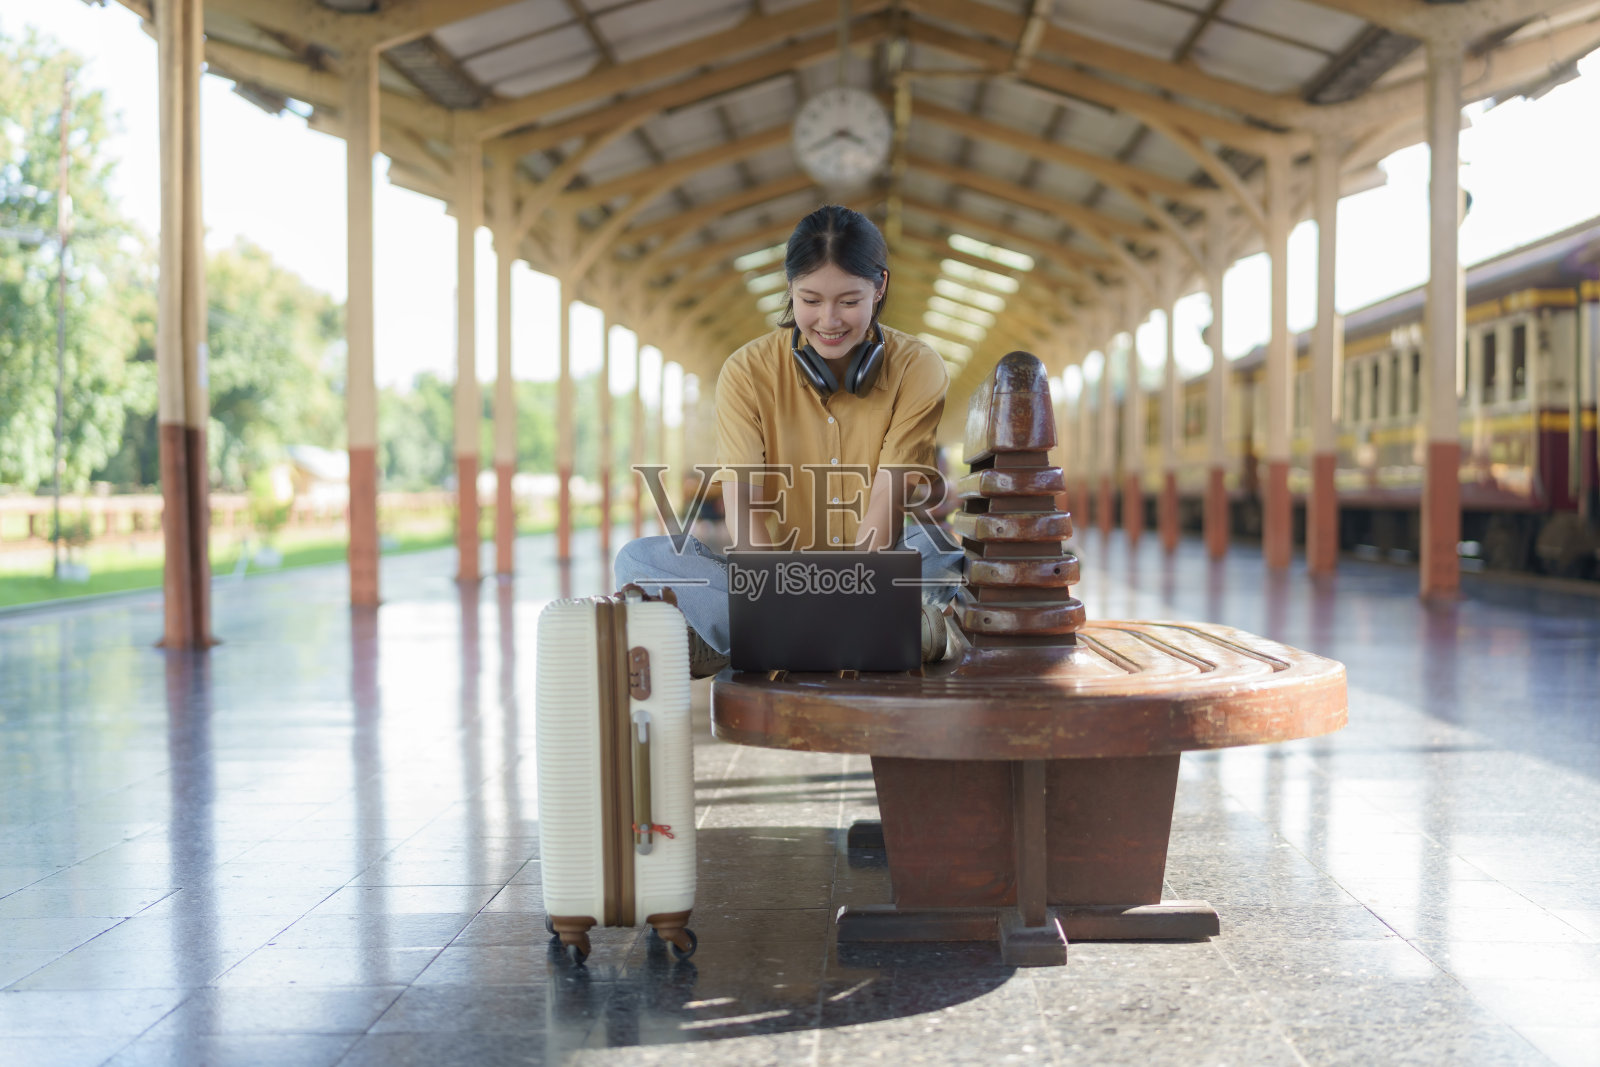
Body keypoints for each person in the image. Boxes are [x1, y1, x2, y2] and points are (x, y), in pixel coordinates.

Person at [613, 205, 964, 676]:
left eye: (849, 301)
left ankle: (743, 637)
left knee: (944, 555)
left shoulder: (918, 367)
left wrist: (843, 596)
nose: (829, 320)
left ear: (879, 286)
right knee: (639, 559)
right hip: (779, 577)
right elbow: (744, 508)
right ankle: (898, 634)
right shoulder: (746, 372)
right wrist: (771, 595)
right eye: (811, 299)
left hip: (876, 569)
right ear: (790, 287)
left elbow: (888, 498)